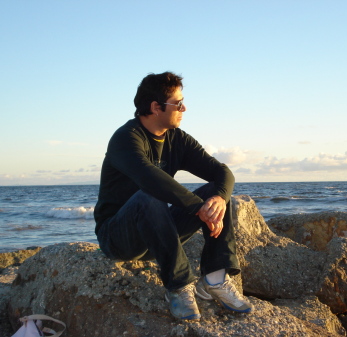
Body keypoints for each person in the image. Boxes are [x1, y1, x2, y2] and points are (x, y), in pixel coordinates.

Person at [94, 71, 251, 320]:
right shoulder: (125, 139)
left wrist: (218, 198)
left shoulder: (177, 139)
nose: (184, 108)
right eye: (178, 104)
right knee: (149, 194)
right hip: (118, 237)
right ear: (156, 107)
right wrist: (197, 208)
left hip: (157, 234)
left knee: (216, 194)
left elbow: (222, 172)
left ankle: (214, 279)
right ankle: (178, 286)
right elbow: (149, 178)